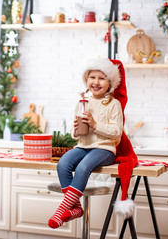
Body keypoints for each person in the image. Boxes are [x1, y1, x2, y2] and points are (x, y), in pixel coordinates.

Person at [48, 57, 138, 229]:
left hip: (104, 148)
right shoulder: (82, 103)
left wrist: (95, 125)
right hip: (83, 146)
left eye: (101, 78)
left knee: (83, 167)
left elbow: (116, 132)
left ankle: (63, 209)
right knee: (63, 164)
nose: (96, 82)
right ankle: (76, 208)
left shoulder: (114, 104)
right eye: (92, 77)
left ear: (110, 82)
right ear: (86, 79)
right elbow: (76, 137)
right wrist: (76, 130)